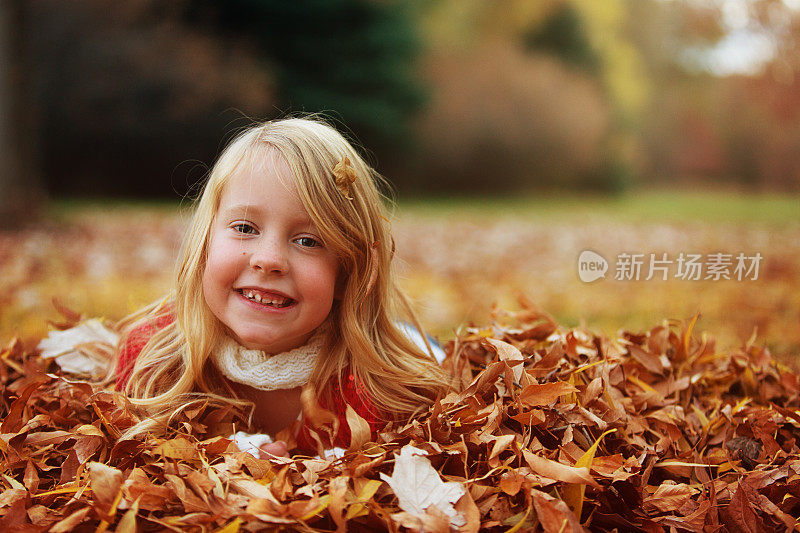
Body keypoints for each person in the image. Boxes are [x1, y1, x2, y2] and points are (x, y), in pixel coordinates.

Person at [113, 117, 451, 457]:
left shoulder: (381, 394)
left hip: (378, 341)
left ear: (349, 273)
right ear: (205, 244)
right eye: (245, 227)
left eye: (308, 240)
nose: (269, 259)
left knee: (423, 350)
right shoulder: (154, 363)